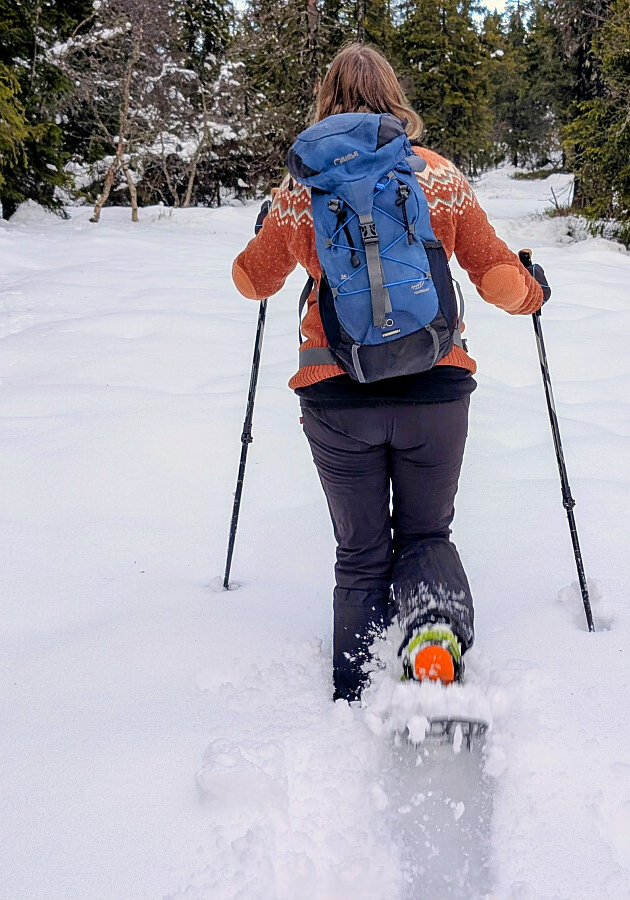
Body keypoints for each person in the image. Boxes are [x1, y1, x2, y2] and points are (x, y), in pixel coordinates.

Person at [230, 43, 550, 703]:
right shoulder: (438, 175)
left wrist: (268, 226)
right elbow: (495, 276)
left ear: (326, 101)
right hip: (436, 385)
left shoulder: (302, 188)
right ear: (394, 100)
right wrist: (533, 291)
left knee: (360, 550)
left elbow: (251, 281)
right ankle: (432, 641)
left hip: (335, 393)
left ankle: (355, 686)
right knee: (427, 531)